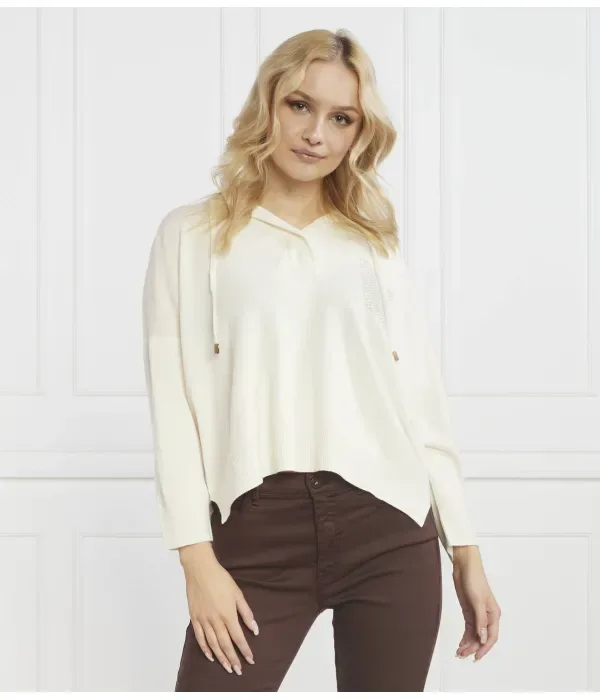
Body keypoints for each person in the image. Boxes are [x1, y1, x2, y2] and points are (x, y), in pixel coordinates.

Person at [141, 28, 501, 692]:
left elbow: (419, 397)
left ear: (360, 133)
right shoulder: (191, 235)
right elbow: (173, 405)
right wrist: (197, 560)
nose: (315, 134)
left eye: (342, 118)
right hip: (257, 530)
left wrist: (465, 551)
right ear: (268, 104)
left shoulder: (371, 242)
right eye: (300, 106)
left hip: (389, 525)